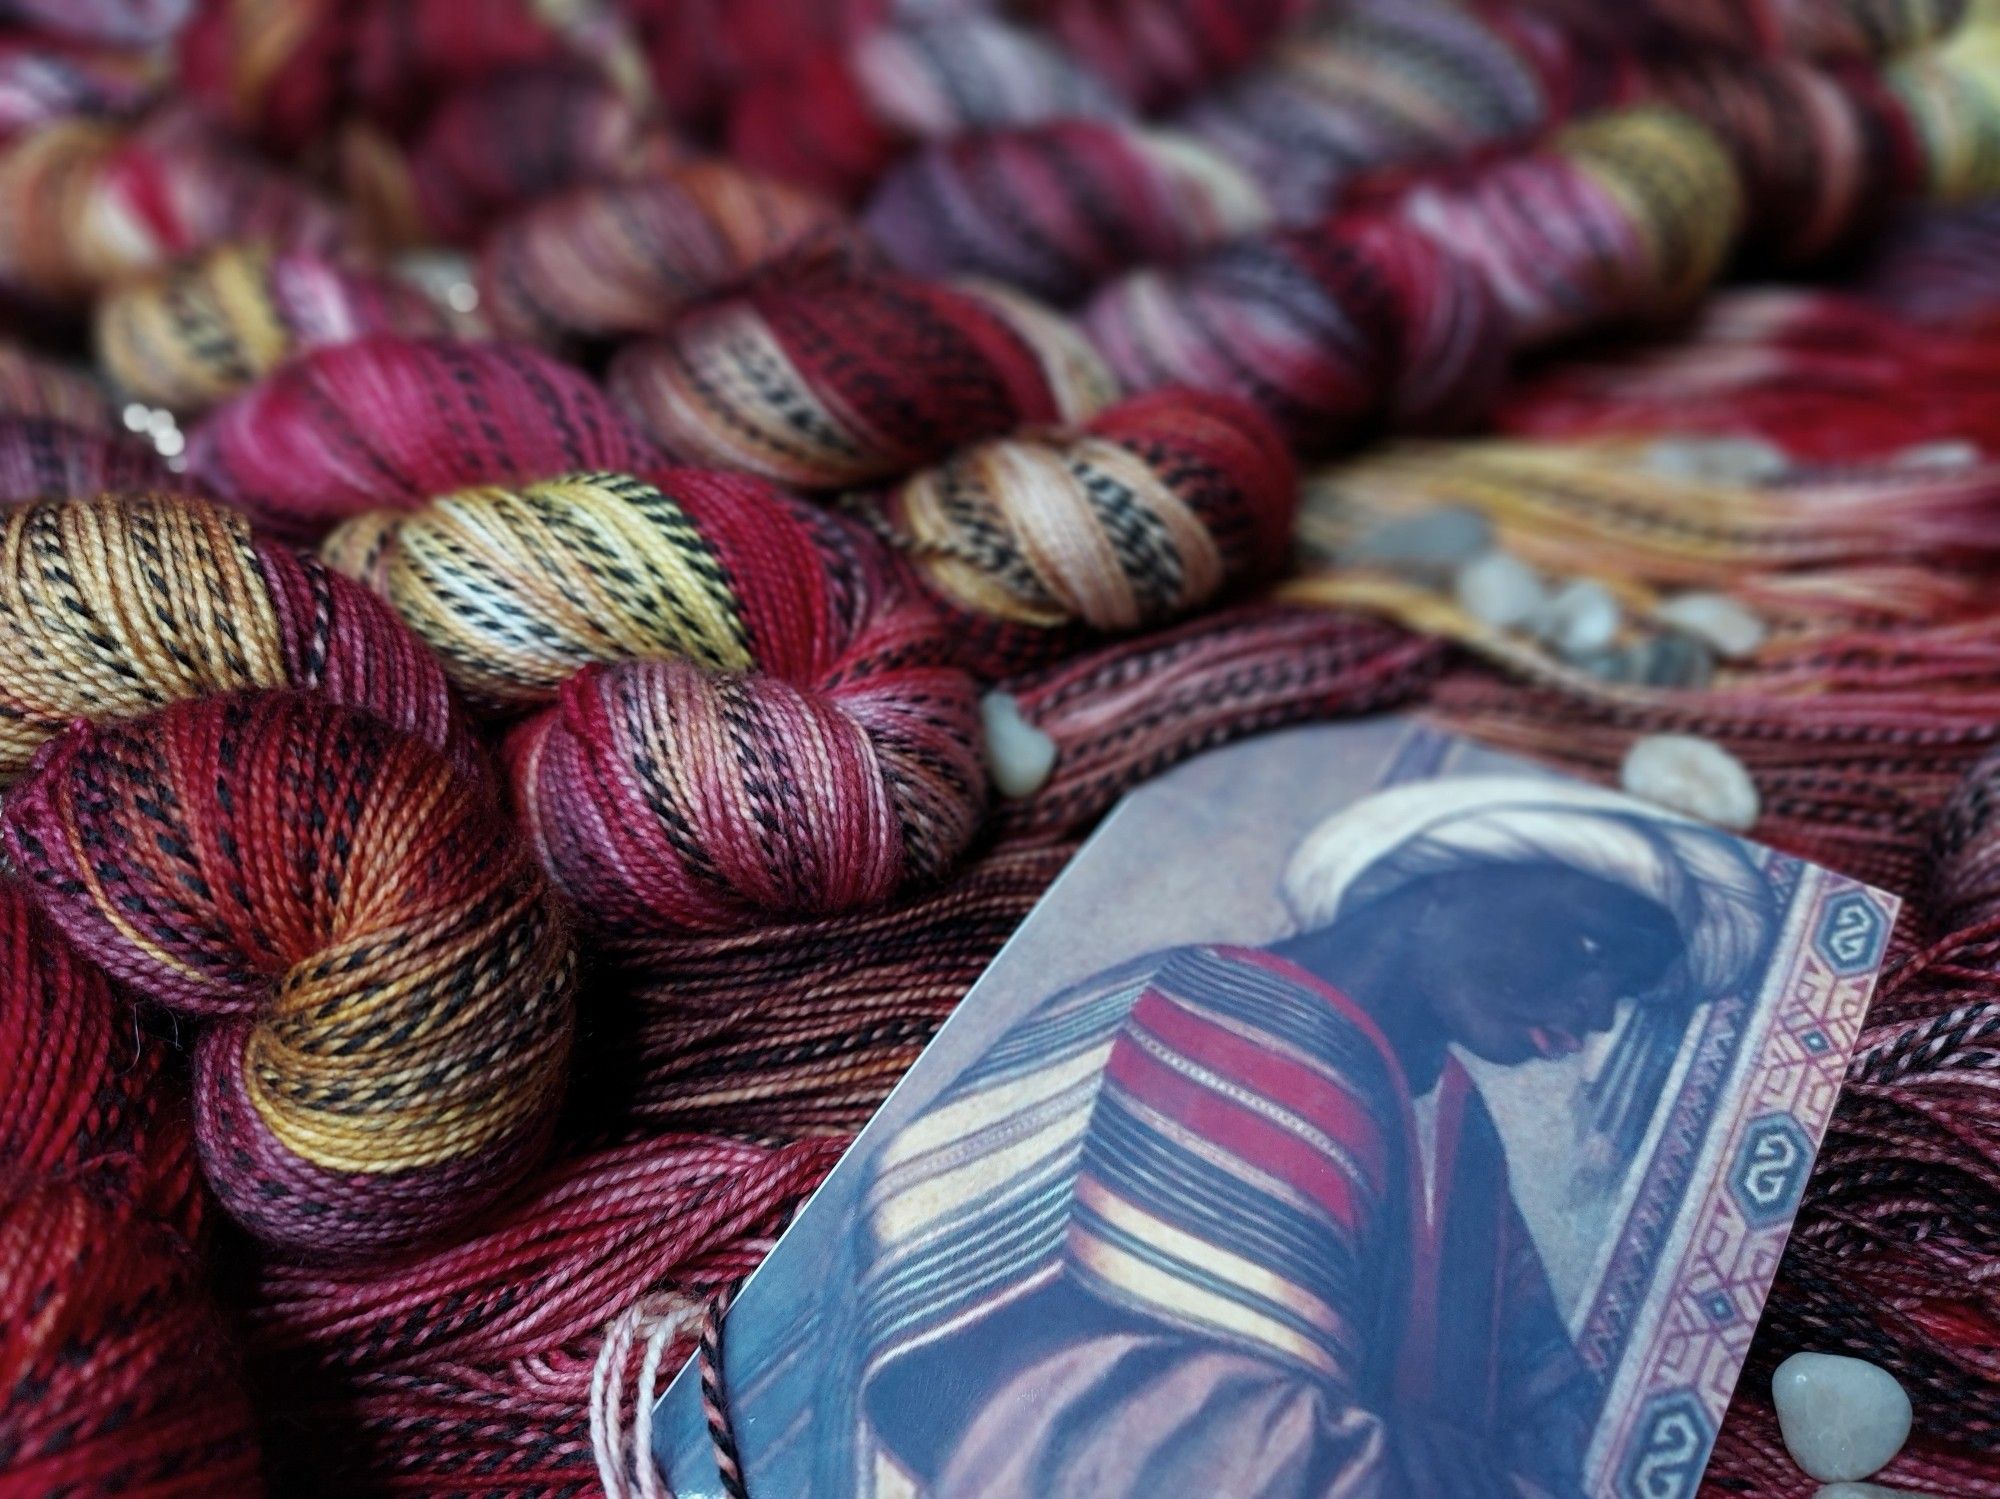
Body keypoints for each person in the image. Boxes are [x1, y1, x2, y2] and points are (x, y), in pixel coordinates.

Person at [833, 777, 1776, 1499]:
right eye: (1589, 947)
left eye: (1626, 991)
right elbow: (1139, 1436)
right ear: (1449, 880)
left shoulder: (1454, 1119)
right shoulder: (1206, 1014)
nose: (1599, 1007)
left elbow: (1535, 1401)